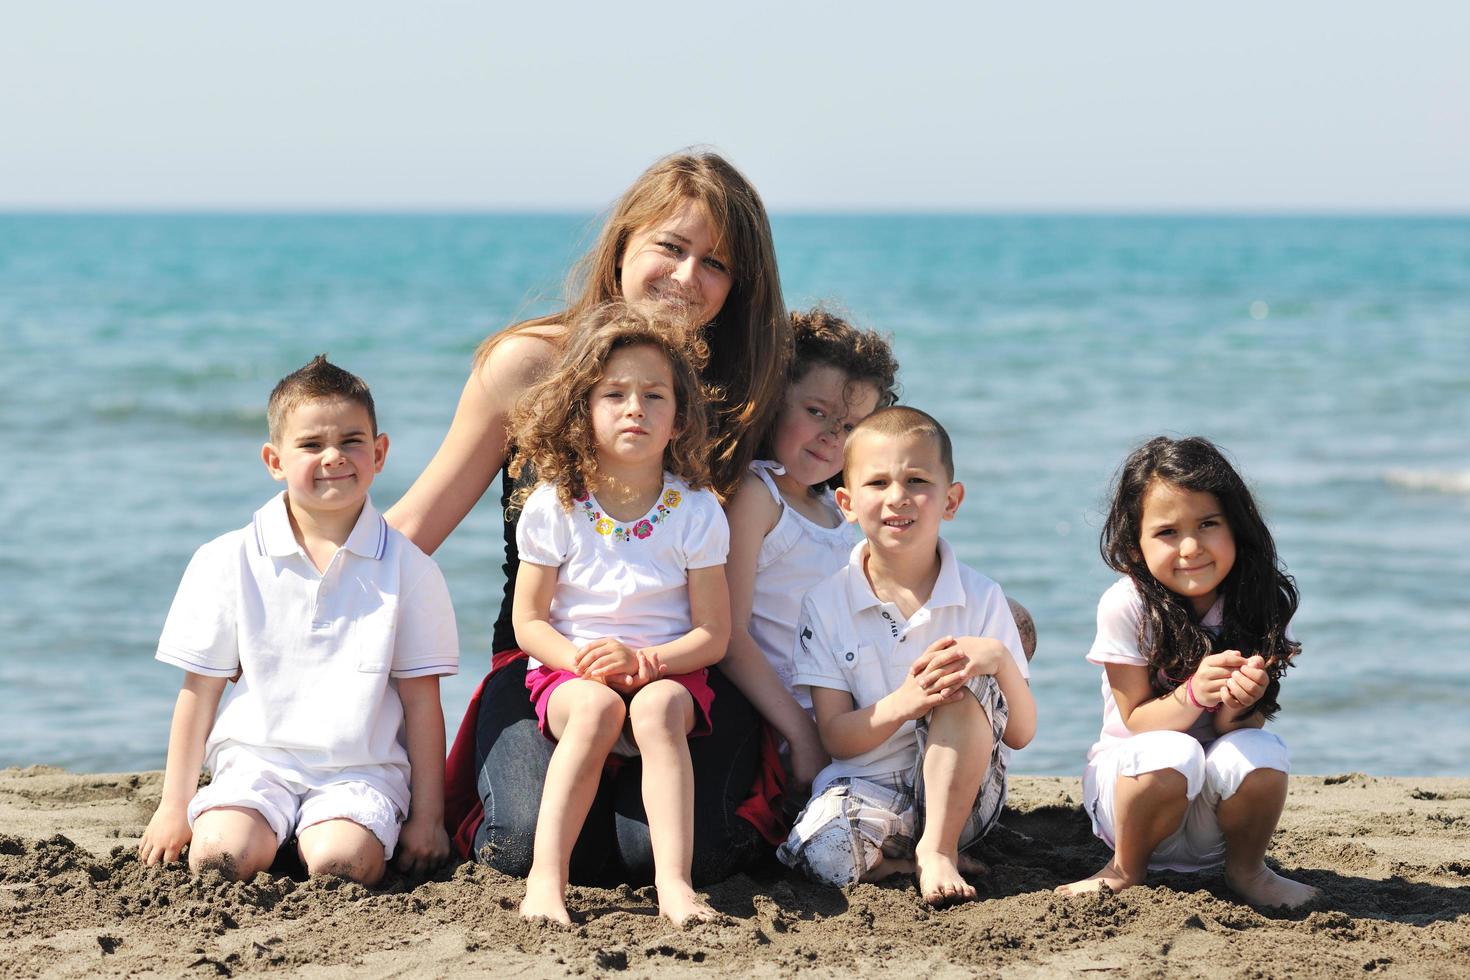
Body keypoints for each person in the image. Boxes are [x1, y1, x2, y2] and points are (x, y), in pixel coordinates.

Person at [385, 151, 789, 884]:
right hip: (548, 666)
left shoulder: (743, 390)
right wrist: (283, 579)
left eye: (717, 265)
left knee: (682, 858)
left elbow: (855, 491)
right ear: (624, 244)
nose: (687, 276)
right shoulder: (527, 365)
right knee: (517, 848)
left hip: (682, 673)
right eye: (670, 246)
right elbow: (414, 530)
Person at [138, 356, 458, 884]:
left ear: (379, 453)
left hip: (361, 770)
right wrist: (175, 806)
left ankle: (316, 837)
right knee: (218, 857)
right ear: (274, 459)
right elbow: (199, 691)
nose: (333, 456)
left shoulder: (411, 570)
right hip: (256, 763)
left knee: (343, 864)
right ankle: (267, 833)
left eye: (352, 441)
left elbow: (423, 702)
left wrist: (429, 818)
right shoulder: (228, 558)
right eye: (311, 445)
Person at [508, 305, 730, 924]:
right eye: (615, 394)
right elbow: (530, 622)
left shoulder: (696, 509)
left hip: (668, 670)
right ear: (583, 408)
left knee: (657, 709)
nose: (635, 407)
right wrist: (584, 664)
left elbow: (714, 635)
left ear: (678, 416)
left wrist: (650, 662)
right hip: (573, 671)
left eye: (654, 395)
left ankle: (674, 885)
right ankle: (546, 881)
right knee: (597, 708)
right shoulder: (556, 504)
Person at [777, 407, 1037, 905]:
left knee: (963, 681)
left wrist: (1000, 659)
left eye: (917, 479)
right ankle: (904, 860)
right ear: (848, 503)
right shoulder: (826, 603)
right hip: (869, 788)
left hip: (967, 798)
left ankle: (938, 848)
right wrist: (908, 700)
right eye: (878, 482)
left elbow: (1022, 734)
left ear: (951, 500)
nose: (897, 496)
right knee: (818, 852)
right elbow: (834, 737)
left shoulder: (982, 597)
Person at [1056, 436, 1319, 909]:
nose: (1191, 547)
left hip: (1211, 824)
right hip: (1134, 798)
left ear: (1236, 527)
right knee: (1172, 750)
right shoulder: (1127, 604)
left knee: (1261, 749)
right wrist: (1195, 693)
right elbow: (1135, 719)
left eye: (1208, 524)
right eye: (1167, 532)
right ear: (1135, 546)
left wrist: (1241, 704)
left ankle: (1246, 869)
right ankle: (1124, 869)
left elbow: (1234, 732)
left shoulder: (1258, 599)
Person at [719, 308, 897, 834]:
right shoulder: (758, 496)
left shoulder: (838, 510)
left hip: (852, 713)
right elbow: (729, 636)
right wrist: (800, 733)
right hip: (793, 717)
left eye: (849, 427)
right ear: (775, 397)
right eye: (816, 411)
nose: (830, 437)